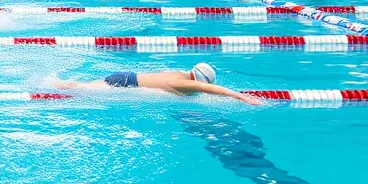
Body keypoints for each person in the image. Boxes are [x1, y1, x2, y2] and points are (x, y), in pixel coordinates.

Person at [51, 63, 259, 104]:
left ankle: (58, 82)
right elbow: (211, 89)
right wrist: (241, 97)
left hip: (125, 76)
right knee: (76, 91)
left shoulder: (180, 74)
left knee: (81, 87)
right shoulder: (185, 84)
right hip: (124, 82)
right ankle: (51, 82)